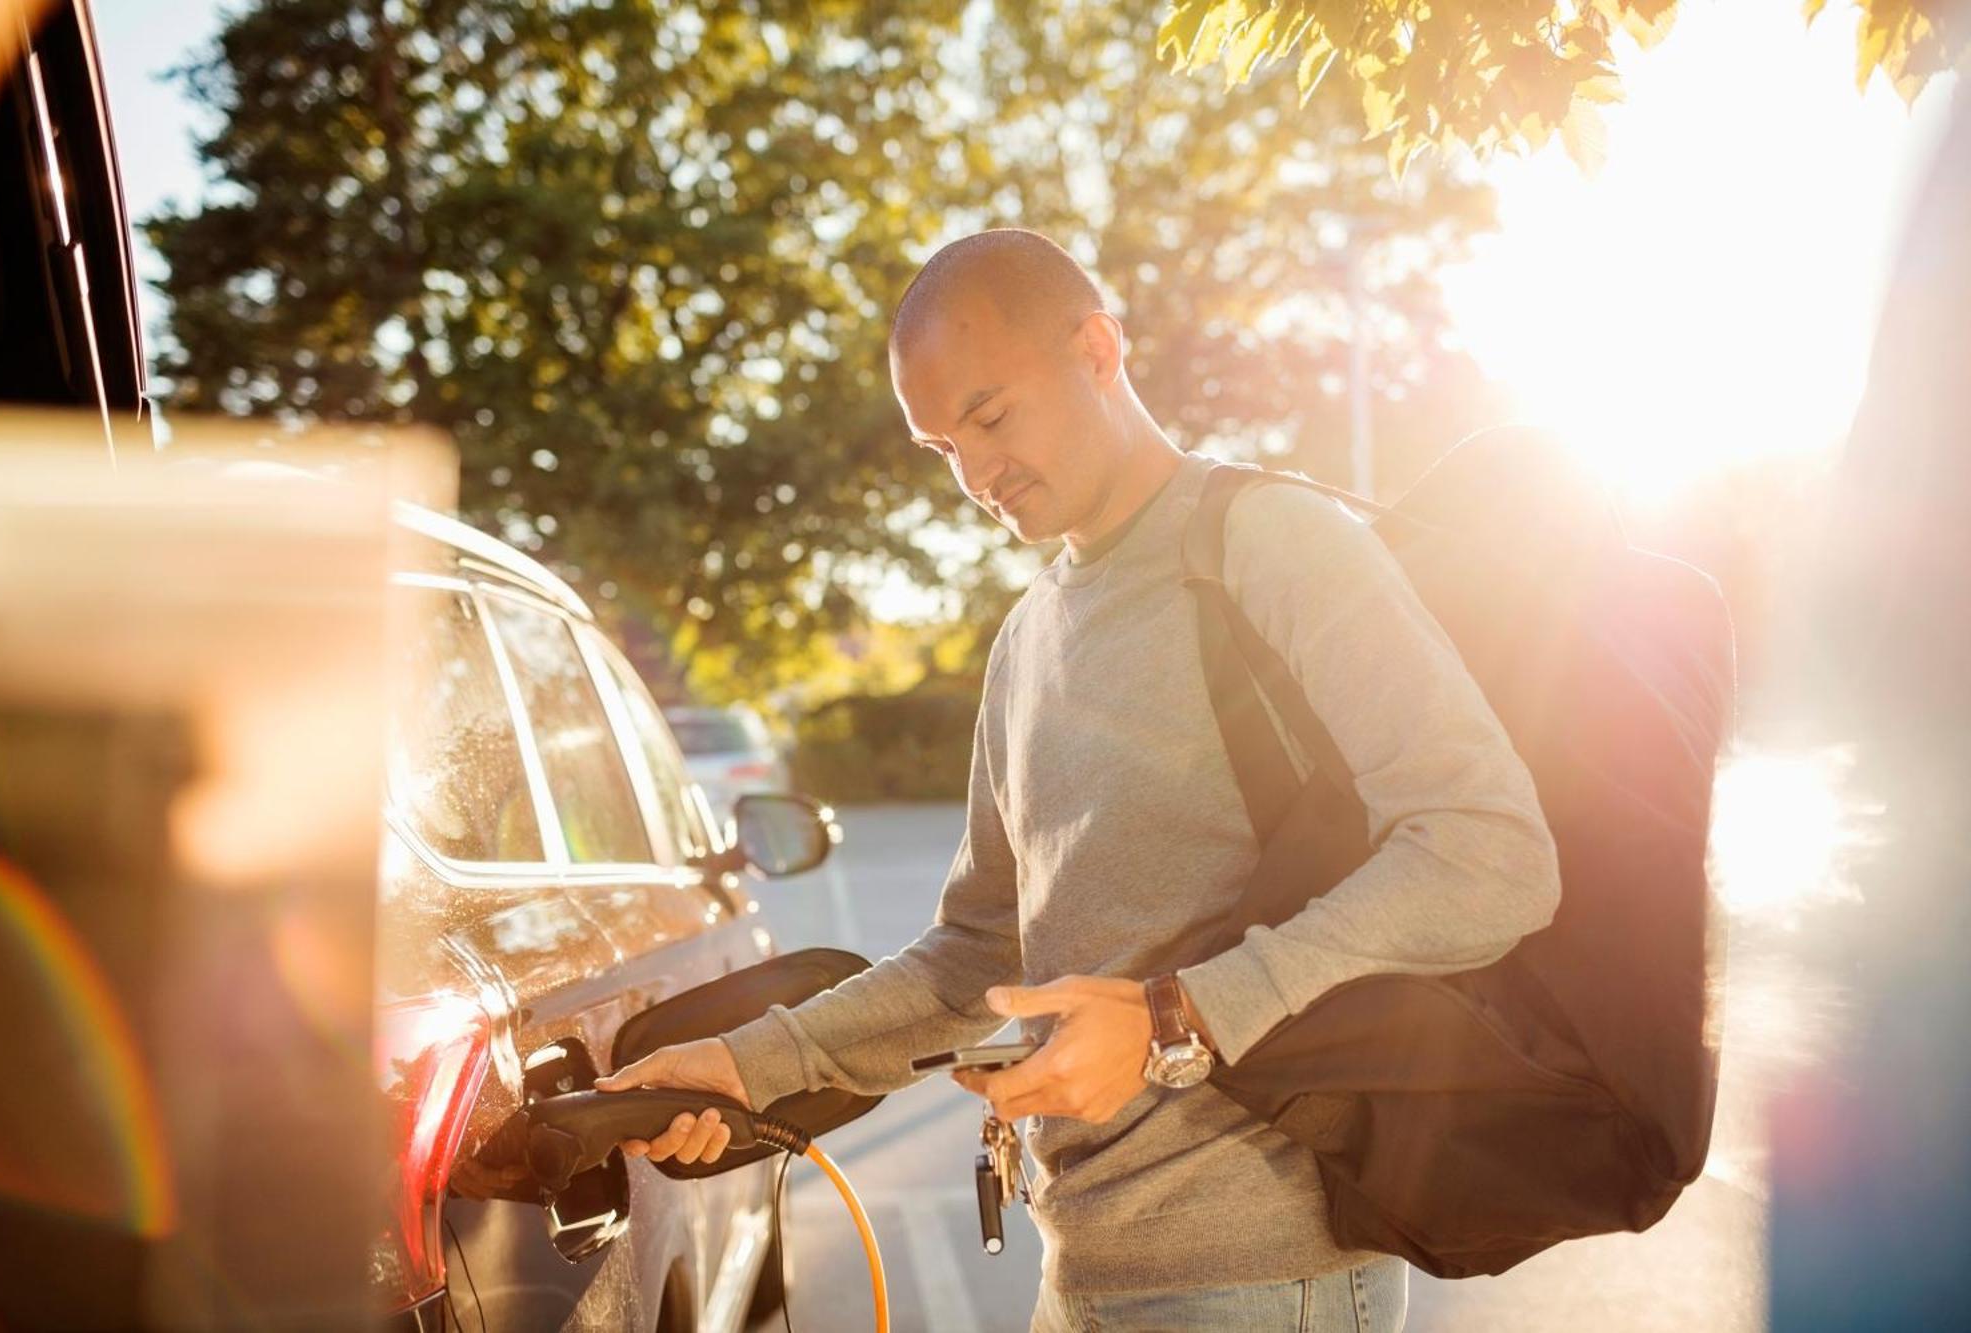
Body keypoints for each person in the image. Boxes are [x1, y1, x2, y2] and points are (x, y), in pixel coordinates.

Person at [596, 228, 1560, 1330]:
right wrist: (739, 1064)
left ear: (1097, 351)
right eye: (939, 448)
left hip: (1263, 1277)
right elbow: (976, 954)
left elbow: (1488, 854)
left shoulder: (1271, 542)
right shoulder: (1026, 638)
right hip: (1082, 1271)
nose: (973, 474)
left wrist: (1171, 1016)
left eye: (990, 416)